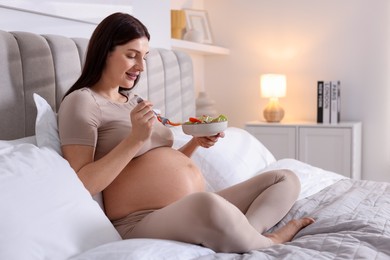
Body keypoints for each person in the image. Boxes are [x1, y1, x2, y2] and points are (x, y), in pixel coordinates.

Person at [58, 12, 314, 253]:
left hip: (190, 207)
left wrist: (195, 144)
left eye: (144, 57)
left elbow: (157, 163)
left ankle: (248, 233)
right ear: (105, 52)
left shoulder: (135, 101)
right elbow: (83, 183)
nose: (141, 67)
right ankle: (268, 241)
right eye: (131, 55)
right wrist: (134, 140)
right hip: (140, 220)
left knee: (284, 178)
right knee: (208, 205)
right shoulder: (82, 102)